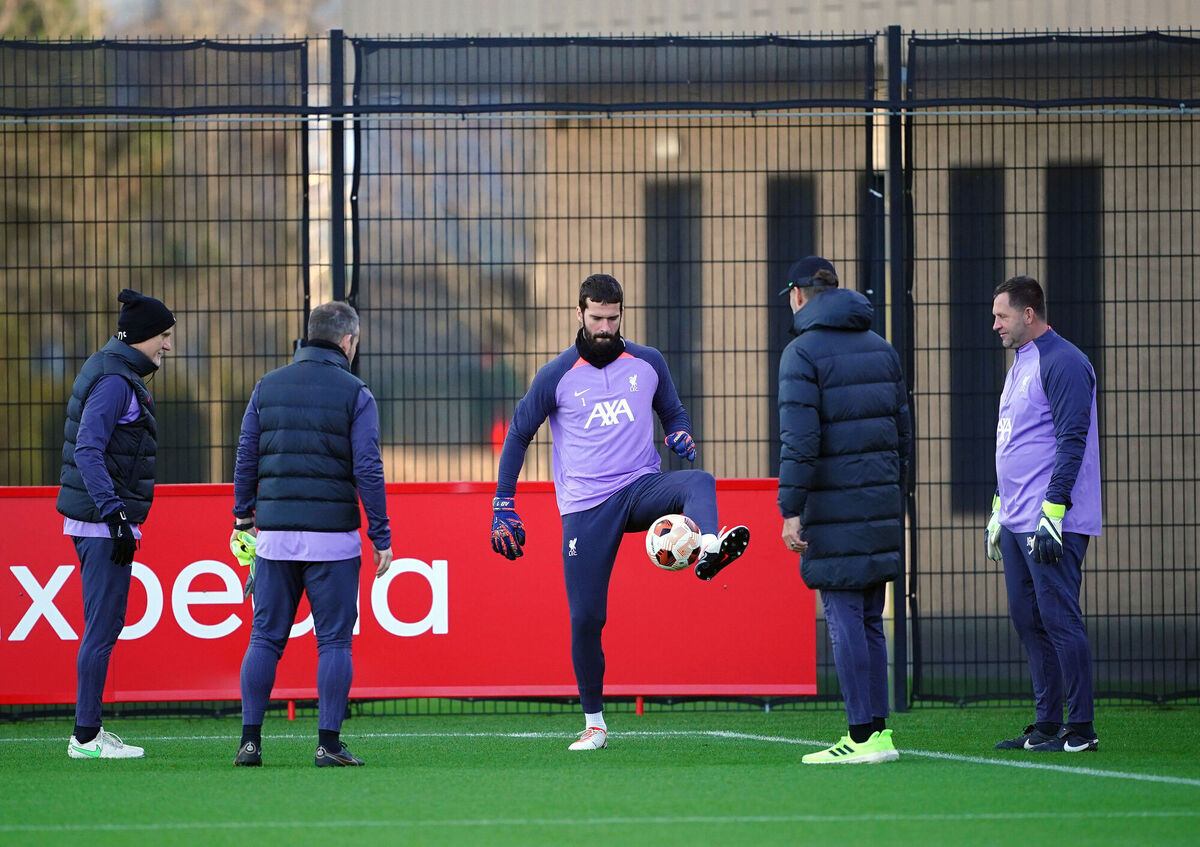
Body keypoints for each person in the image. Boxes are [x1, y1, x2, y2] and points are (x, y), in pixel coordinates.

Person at [489, 273, 750, 752]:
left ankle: (710, 549)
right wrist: (503, 504)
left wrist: (680, 434)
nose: (605, 327)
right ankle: (595, 724)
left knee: (700, 481)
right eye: (596, 318)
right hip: (585, 506)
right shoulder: (555, 376)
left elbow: (673, 412)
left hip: (640, 487)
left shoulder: (648, 363)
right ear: (579, 314)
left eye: (613, 317)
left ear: (621, 314)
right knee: (587, 618)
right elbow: (518, 434)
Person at [231, 301, 393, 768]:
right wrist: (380, 534)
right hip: (333, 541)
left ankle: (250, 743)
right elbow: (367, 466)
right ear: (349, 342)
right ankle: (328, 744)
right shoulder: (356, 392)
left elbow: (246, 457)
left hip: (275, 538)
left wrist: (244, 521)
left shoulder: (267, 387)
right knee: (335, 643)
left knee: (264, 639)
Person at [775, 256, 910, 765]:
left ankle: (858, 737)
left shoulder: (801, 352)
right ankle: (878, 735)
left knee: (844, 616)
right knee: (872, 619)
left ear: (799, 294)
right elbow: (903, 436)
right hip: (878, 502)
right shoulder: (882, 349)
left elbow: (800, 440)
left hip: (831, 507)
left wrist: (792, 508)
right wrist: (892, 494)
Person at [58, 288, 176, 760]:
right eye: (164, 335)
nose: (168, 345)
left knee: (101, 627)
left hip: (99, 521)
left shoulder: (113, 368)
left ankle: (89, 731)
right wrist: (116, 514)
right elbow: (88, 449)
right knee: (102, 630)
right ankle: (85, 738)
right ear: (143, 336)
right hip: (102, 523)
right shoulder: (115, 380)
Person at [987, 275, 1101, 753]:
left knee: (1060, 619)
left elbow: (1072, 441)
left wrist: (1053, 511)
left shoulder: (1065, 361)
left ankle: (1081, 730)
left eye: (1002, 316)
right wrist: (998, 507)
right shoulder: (1020, 364)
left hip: (1048, 521)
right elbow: (1014, 442)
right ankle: (1047, 724)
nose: (995, 325)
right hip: (1016, 521)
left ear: (1028, 314)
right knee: (1028, 620)